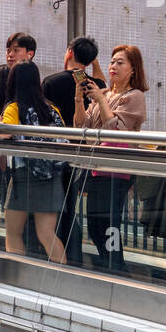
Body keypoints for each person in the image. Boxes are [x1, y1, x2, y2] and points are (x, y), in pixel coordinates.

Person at [80, 45, 148, 272]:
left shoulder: (134, 96)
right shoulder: (106, 95)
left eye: (120, 62)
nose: (113, 67)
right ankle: (110, 269)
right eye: (112, 62)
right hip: (98, 168)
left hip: (118, 171)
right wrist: (79, 99)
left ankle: (117, 271)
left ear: (133, 70)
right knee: (96, 226)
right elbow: (81, 125)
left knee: (110, 226)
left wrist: (100, 99)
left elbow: (114, 128)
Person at [42, 36, 107, 263]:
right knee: (71, 208)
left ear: (69, 52)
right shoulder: (96, 87)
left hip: (55, 157)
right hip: (84, 158)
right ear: (90, 61)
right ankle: (75, 255)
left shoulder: (50, 82)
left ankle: (62, 258)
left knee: (52, 213)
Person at [0, 61, 68, 264]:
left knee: (13, 233)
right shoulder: (51, 109)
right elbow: (64, 140)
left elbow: (6, 134)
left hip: (24, 176)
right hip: (51, 176)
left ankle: (16, 280)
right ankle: (63, 280)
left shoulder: (14, 108)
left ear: (13, 82)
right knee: (46, 233)